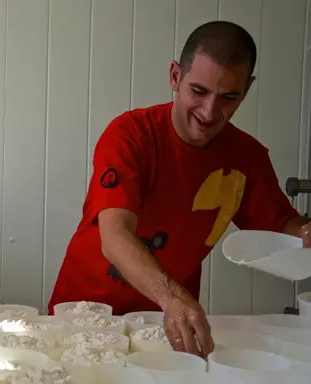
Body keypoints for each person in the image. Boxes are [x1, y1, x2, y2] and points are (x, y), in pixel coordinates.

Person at [48, 20, 311, 358]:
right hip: (85, 314)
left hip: (166, 326)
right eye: (198, 91)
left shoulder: (247, 157)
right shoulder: (130, 135)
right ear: (175, 76)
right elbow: (114, 236)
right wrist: (173, 296)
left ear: (247, 90)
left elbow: (282, 228)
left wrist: (304, 232)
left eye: (228, 97)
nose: (209, 111)